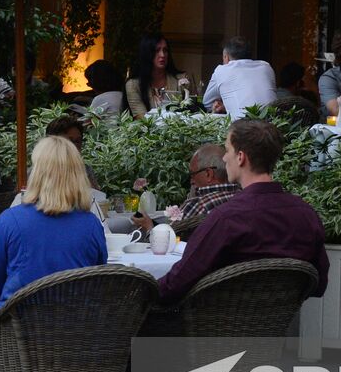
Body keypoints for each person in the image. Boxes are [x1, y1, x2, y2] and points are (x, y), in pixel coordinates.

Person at [156, 120, 329, 303]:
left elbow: (177, 283)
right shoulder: (306, 214)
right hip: (277, 322)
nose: (223, 158)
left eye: (227, 150)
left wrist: (143, 293)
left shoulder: (227, 218)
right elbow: (318, 285)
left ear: (240, 157)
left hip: (212, 321)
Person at [0, 136, 107, 308]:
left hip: (18, 328)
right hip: (76, 328)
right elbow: (99, 282)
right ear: (78, 175)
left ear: (37, 173)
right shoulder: (91, 224)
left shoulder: (10, 220)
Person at [133, 143, 238, 234]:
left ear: (208, 174)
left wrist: (149, 226)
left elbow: (168, 242)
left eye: (193, 174)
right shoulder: (244, 198)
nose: (191, 181)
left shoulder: (199, 204)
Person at [125, 33, 200, 116]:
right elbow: (141, 118)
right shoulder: (133, 85)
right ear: (147, 54)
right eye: (157, 51)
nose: (162, 55)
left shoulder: (182, 79)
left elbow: (193, 111)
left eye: (165, 50)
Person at [203, 36, 277, 118]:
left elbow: (207, 102)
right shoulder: (266, 67)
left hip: (243, 127)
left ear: (226, 57)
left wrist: (225, 105)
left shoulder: (222, 70)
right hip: (274, 124)